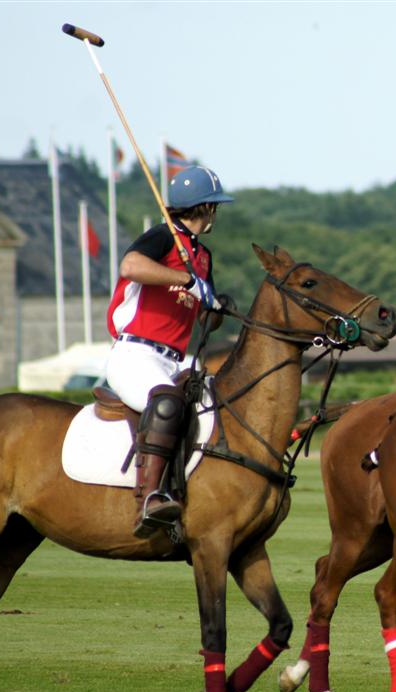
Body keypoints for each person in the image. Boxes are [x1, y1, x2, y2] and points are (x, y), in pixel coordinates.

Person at [104, 165, 233, 538]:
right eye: (215, 207)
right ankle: (151, 498)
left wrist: (215, 307)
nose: (216, 214)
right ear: (205, 208)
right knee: (167, 404)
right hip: (135, 354)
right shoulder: (164, 237)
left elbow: (205, 317)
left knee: (216, 405)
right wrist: (186, 279)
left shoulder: (202, 255)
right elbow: (131, 265)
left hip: (174, 358)